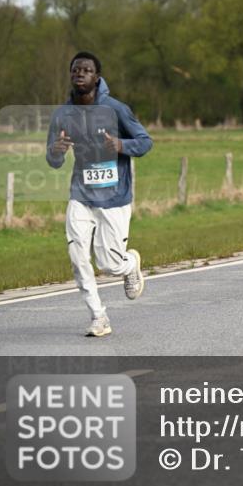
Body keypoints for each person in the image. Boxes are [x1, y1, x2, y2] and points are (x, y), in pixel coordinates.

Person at [46, 52, 153, 337]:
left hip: (115, 198)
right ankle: (98, 316)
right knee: (77, 255)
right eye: (75, 70)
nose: (80, 74)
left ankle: (129, 265)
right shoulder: (62, 115)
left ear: (97, 77)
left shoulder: (116, 109)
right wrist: (56, 151)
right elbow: (53, 159)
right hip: (81, 195)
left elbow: (145, 142)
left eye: (86, 70)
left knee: (108, 264)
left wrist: (120, 145)